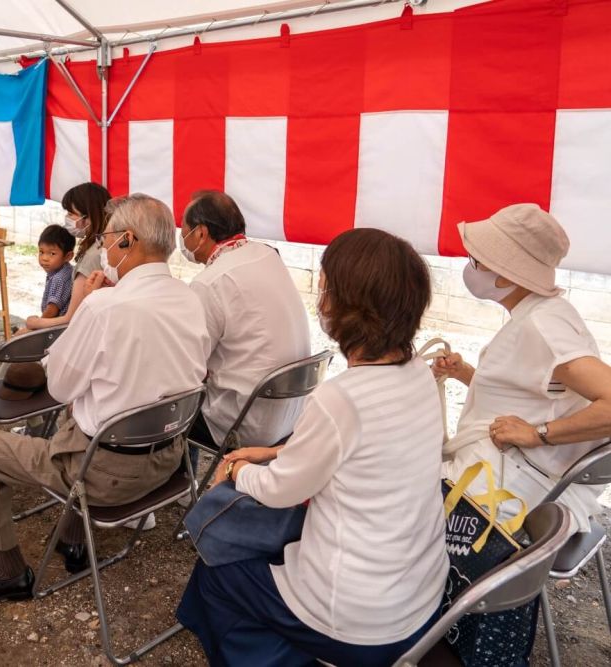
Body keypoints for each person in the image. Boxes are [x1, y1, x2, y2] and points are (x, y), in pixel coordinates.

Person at [177, 228, 448, 667]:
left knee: (215, 578)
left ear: (348, 307)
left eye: (325, 288)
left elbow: (280, 491)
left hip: (360, 620)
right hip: (420, 603)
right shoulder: (416, 373)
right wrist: (275, 453)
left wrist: (237, 470)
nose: (320, 300)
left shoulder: (342, 397)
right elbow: (364, 455)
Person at [0, 193, 211, 605]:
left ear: (127, 240)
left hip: (104, 476)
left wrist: (86, 307)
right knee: (84, 420)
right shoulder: (192, 299)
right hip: (168, 464)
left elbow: (61, 388)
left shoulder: (105, 307)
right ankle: (73, 540)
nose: (101, 248)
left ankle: (9, 571)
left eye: (105, 239)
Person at [436, 203, 611, 534]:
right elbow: (535, 394)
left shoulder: (542, 325)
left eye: (477, 260)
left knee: (389, 493)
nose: (470, 266)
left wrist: (539, 434)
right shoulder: (545, 312)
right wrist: (467, 375)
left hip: (517, 485)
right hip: (526, 476)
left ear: (507, 273)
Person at [179, 190, 310, 450]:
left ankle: (180, 484)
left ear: (201, 233)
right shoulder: (267, 254)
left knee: (166, 404)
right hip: (292, 411)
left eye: (184, 231)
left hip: (245, 423)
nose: (181, 238)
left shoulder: (210, 282)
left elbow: (190, 365)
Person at [23, 182, 110, 331]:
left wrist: (34, 324)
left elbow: (70, 318)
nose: (67, 218)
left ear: (88, 217)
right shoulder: (104, 245)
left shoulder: (93, 255)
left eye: (70, 213)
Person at [35, 224, 75, 318]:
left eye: (52, 253)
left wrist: (37, 325)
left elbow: (52, 311)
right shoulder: (68, 270)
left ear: (68, 256)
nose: (44, 258)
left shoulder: (59, 278)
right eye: (41, 252)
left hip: (56, 326)